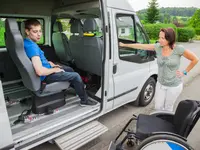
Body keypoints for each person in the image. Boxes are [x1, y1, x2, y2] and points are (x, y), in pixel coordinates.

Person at [119, 28, 199, 112]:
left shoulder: (178, 49)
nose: (159, 40)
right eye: (159, 37)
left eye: (162, 38)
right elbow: (142, 46)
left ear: (170, 38)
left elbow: (195, 59)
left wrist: (184, 72)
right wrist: (125, 45)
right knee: (158, 107)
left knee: (168, 108)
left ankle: (165, 123)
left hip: (174, 86)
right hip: (160, 84)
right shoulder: (158, 47)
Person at [23, 19, 97, 106]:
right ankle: (84, 100)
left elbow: (39, 61)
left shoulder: (27, 42)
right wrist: (55, 70)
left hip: (47, 70)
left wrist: (51, 64)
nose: (39, 34)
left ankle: (78, 87)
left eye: (40, 31)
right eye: (35, 31)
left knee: (69, 69)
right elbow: (40, 71)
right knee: (76, 76)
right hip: (46, 76)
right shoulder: (32, 47)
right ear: (27, 31)